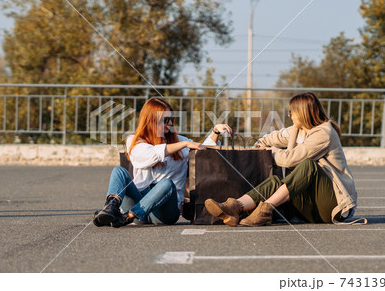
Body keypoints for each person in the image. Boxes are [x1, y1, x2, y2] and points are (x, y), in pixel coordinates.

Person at [205, 92, 358, 226]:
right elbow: (272, 138)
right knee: (275, 182)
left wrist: (269, 151)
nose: (289, 115)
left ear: (303, 113)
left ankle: (264, 211)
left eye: (292, 112)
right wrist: (261, 144)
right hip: (312, 204)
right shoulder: (298, 130)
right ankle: (235, 207)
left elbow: (291, 159)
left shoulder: (324, 133)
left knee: (309, 166)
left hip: (334, 206)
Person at [93, 97, 232, 227]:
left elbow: (203, 149)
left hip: (164, 211)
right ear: (152, 120)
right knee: (119, 171)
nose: (170, 123)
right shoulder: (134, 141)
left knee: (166, 183)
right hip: (139, 201)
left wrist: (215, 132)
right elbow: (150, 155)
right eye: (165, 120)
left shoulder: (180, 141)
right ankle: (111, 207)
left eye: (171, 119)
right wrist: (182, 145)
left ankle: (126, 217)